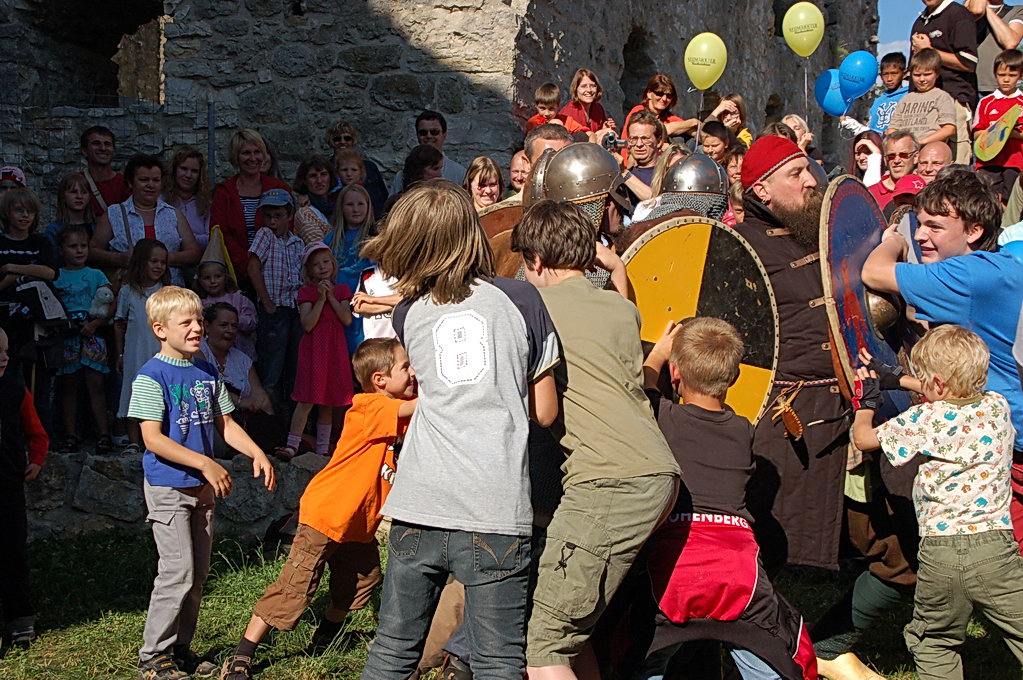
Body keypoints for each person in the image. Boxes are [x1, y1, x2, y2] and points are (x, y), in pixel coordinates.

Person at [357, 179, 559, 680]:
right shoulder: (522, 299)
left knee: (392, 652)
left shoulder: (407, 313)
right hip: (494, 504)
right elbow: (545, 412)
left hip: (419, 500)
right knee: (497, 661)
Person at [510, 200, 679, 680]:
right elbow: (622, 320)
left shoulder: (535, 309)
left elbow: (543, 410)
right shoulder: (620, 310)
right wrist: (617, 268)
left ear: (535, 260)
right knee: (570, 632)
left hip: (608, 481)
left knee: (544, 644)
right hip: (656, 473)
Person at [220, 338, 416, 680]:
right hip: (327, 516)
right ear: (380, 380)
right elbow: (422, 407)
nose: (413, 373)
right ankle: (242, 653)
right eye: (406, 367)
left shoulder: (395, 409)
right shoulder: (368, 406)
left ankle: (325, 637)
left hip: (358, 524)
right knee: (295, 586)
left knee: (361, 580)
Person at [638, 318, 817, 680]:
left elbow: (643, 386)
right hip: (737, 567)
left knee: (646, 659)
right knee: (764, 653)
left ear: (675, 372)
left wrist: (657, 354)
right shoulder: (741, 430)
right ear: (734, 377)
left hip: (675, 564)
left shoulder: (662, 416)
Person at [862, 172, 1023, 552]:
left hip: (1007, 439)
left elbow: (873, 272)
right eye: (918, 224)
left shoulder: (966, 275)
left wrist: (893, 241)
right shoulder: (1003, 265)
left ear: (974, 230)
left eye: (935, 226)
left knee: (999, 559)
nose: (920, 235)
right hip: (1004, 430)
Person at [852, 325, 1023, 680]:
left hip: (940, 554)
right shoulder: (997, 406)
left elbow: (864, 439)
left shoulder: (923, 419)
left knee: (934, 642)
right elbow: (949, 393)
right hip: (996, 551)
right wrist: (902, 380)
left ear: (938, 383)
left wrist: (866, 404)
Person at [129, 285, 274, 680]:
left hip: (202, 491)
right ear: (160, 330)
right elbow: (152, 439)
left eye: (198, 320)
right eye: (186, 323)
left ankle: (179, 649)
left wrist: (257, 452)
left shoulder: (207, 371)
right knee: (176, 572)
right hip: (169, 488)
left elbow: (225, 423)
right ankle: (153, 657)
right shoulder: (150, 376)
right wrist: (205, 463)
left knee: (197, 575)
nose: (197, 328)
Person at [278, 243, 353, 460]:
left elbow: (346, 319)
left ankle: (322, 448)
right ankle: (292, 444)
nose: (322, 267)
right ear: (309, 270)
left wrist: (331, 297)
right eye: (316, 265)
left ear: (333, 264)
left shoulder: (342, 291)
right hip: (315, 351)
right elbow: (308, 324)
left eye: (326, 262)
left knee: (328, 400)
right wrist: (320, 298)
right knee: (307, 398)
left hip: (334, 350)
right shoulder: (306, 293)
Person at [0, 326, 48, 649]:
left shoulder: (15, 390)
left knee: (12, 552)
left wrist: (37, 460)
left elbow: (37, 433)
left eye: (6, 350)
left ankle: (20, 619)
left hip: (7, 485)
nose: (4, 358)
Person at [89, 154, 202, 287]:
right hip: (129, 290)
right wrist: (119, 258)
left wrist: (164, 258)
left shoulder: (173, 214)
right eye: (144, 180)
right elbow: (92, 252)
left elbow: (194, 254)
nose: (150, 185)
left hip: (169, 292)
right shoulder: (114, 214)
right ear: (130, 182)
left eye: (156, 180)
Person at [0, 187, 58, 431]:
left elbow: (50, 272)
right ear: (7, 213)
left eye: (30, 212)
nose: (25, 216)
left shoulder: (40, 242)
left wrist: (12, 268)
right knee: (9, 377)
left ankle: (39, 435)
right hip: (5, 320)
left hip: (36, 321)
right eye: (19, 211)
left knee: (39, 381)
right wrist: (25, 273)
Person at [53, 224, 113, 454]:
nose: (79, 251)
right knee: (68, 386)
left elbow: (109, 301)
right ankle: (70, 434)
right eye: (73, 246)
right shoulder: (56, 276)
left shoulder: (96, 275)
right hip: (67, 337)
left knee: (96, 385)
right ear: (61, 249)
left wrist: (95, 324)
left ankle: (103, 433)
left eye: (83, 246)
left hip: (93, 336)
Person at [247, 189, 304, 415]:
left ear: (289, 215)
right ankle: (269, 419)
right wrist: (267, 302)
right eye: (268, 216)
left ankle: (290, 420)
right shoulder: (265, 235)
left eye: (278, 216)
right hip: (275, 309)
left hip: (294, 310)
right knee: (272, 367)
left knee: (293, 366)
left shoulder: (297, 243)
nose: (272, 222)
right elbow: (253, 267)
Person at [210, 129, 291, 285]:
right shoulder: (224, 192)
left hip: (276, 271)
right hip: (236, 273)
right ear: (236, 156)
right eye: (246, 153)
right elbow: (220, 234)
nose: (253, 158)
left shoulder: (278, 188)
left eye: (257, 152)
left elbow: (287, 228)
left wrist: (266, 264)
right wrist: (248, 265)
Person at [198, 302, 279, 458]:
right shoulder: (198, 352)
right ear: (207, 326)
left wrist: (270, 423)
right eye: (223, 325)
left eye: (234, 326)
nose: (230, 330)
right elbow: (207, 389)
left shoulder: (242, 359)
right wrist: (240, 401)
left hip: (244, 423)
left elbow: (260, 395)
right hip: (211, 421)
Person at [114, 239, 169, 455]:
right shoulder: (127, 291)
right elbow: (119, 323)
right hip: (134, 351)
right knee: (133, 391)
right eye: (153, 261)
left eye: (162, 262)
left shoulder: (167, 292)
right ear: (140, 261)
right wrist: (120, 353)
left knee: (158, 394)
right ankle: (134, 440)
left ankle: (155, 441)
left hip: (160, 352)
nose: (159, 266)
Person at [911, 0, 979, 164]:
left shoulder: (958, 14)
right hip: (925, 105)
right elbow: (914, 67)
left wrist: (929, 50)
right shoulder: (920, 22)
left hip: (954, 97)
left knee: (957, 163)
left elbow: (969, 62)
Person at [325, 183, 375, 354]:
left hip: (366, 305)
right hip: (338, 304)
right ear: (341, 207)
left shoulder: (374, 238)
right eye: (349, 204)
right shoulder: (331, 239)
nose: (355, 209)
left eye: (360, 204)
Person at [194, 233, 257, 360]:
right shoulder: (198, 304)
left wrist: (234, 321)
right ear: (199, 280)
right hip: (212, 356)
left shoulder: (239, 299)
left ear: (226, 277)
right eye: (207, 278)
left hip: (241, 352)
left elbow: (253, 322)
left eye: (218, 276)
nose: (213, 281)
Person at [974, 48, 1023, 201]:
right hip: (988, 162)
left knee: (1011, 202)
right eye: (1001, 75)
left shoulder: (1021, 102)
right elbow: (976, 134)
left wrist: (1010, 133)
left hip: (1015, 162)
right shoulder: (986, 102)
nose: (1006, 80)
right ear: (995, 74)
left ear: (1020, 75)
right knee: (988, 200)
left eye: (1012, 75)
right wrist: (996, 131)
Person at [886, 48, 957, 150]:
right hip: (905, 151)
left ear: (937, 73)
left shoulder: (942, 96)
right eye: (917, 75)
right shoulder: (905, 99)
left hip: (931, 150)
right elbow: (892, 128)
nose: (922, 79)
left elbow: (949, 129)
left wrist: (921, 142)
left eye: (927, 74)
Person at [389, 111, 467, 193]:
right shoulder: (402, 176)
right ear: (417, 136)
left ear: (444, 135)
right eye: (423, 133)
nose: (429, 136)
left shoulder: (459, 174)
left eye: (434, 132)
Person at [324, 120, 388, 215]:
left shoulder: (370, 168)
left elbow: (383, 198)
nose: (342, 142)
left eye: (347, 138)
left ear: (353, 141)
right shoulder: (325, 170)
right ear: (331, 142)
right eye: (337, 139)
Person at [622, 74, 699, 148]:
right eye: (659, 93)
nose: (664, 99)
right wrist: (693, 122)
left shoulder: (669, 118)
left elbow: (696, 133)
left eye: (669, 95)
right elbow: (659, 130)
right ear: (649, 94)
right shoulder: (639, 111)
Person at [163, 147, 212, 251]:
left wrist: (181, 238)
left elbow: (210, 239)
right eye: (184, 169)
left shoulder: (207, 204)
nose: (188, 175)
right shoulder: (161, 200)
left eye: (194, 171)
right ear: (174, 170)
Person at [79, 126, 130, 216]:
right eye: (96, 143)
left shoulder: (125, 184)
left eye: (107, 144)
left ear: (113, 150)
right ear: (84, 151)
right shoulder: (76, 183)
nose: (103, 148)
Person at [292, 155, 337, 244]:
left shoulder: (339, 206)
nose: (319, 180)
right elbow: (318, 246)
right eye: (313, 176)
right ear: (305, 181)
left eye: (323, 174)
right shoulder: (305, 213)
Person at [869, 131, 920, 209]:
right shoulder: (870, 194)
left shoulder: (923, 191)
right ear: (885, 159)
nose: (897, 160)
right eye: (891, 156)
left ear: (916, 157)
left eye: (903, 155)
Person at [622, 110, 665, 203]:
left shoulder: (667, 173)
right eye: (633, 138)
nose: (639, 144)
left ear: (659, 142)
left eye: (645, 138)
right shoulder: (626, 173)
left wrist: (624, 173)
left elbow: (656, 201)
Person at [44, 173, 95, 246]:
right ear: (63, 196)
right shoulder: (53, 230)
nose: (79, 196)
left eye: (84, 192)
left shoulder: (96, 229)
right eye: (73, 192)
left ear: (89, 197)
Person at [559, 68, 615, 134]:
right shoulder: (568, 113)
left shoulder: (598, 109)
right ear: (576, 89)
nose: (589, 90)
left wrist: (604, 128)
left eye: (592, 86)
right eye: (583, 86)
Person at [872, 52, 910, 133]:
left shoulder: (908, 96)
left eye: (894, 73)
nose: (889, 79)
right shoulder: (878, 102)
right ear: (881, 76)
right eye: (885, 74)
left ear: (904, 74)